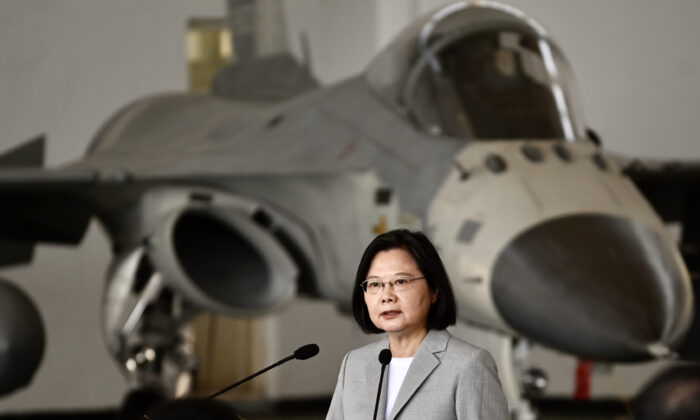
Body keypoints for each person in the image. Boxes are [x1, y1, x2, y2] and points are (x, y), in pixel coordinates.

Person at [326, 229, 509, 419]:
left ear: (434, 291)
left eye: (401, 281)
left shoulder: (469, 365)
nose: (387, 296)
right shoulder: (354, 364)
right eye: (374, 284)